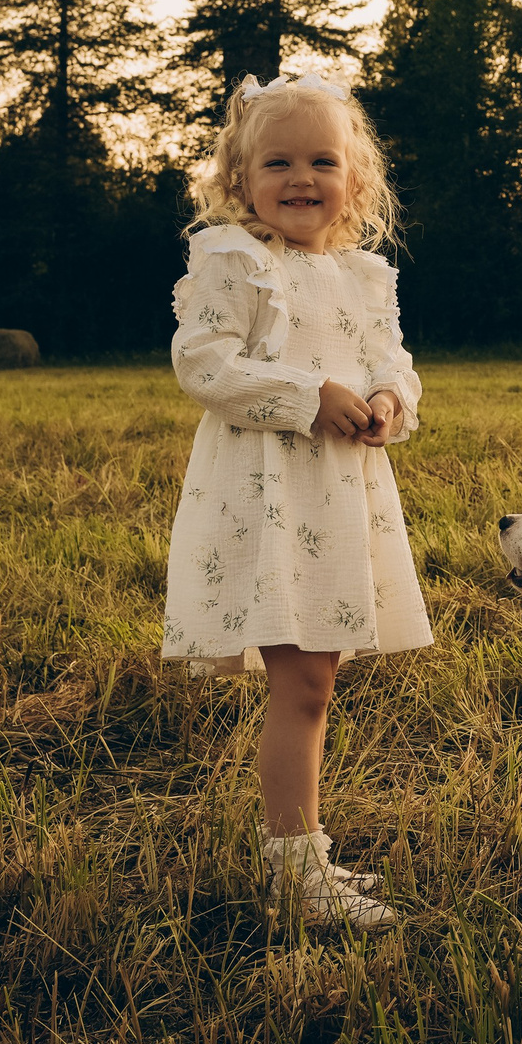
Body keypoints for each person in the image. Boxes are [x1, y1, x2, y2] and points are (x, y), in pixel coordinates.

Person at [163, 70, 432, 927]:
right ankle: (293, 871)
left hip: (339, 495)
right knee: (304, 684)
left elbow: (391, 361)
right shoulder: (234, 261)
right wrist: (307, 393)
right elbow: (203, 365)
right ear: (239, 178)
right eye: (276, 161)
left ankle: (302, 854)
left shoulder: (360, 274)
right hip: (268, 495)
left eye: (322, 159)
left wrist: (390, 399)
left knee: (318, 678)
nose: (301, 178)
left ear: (357, 178)